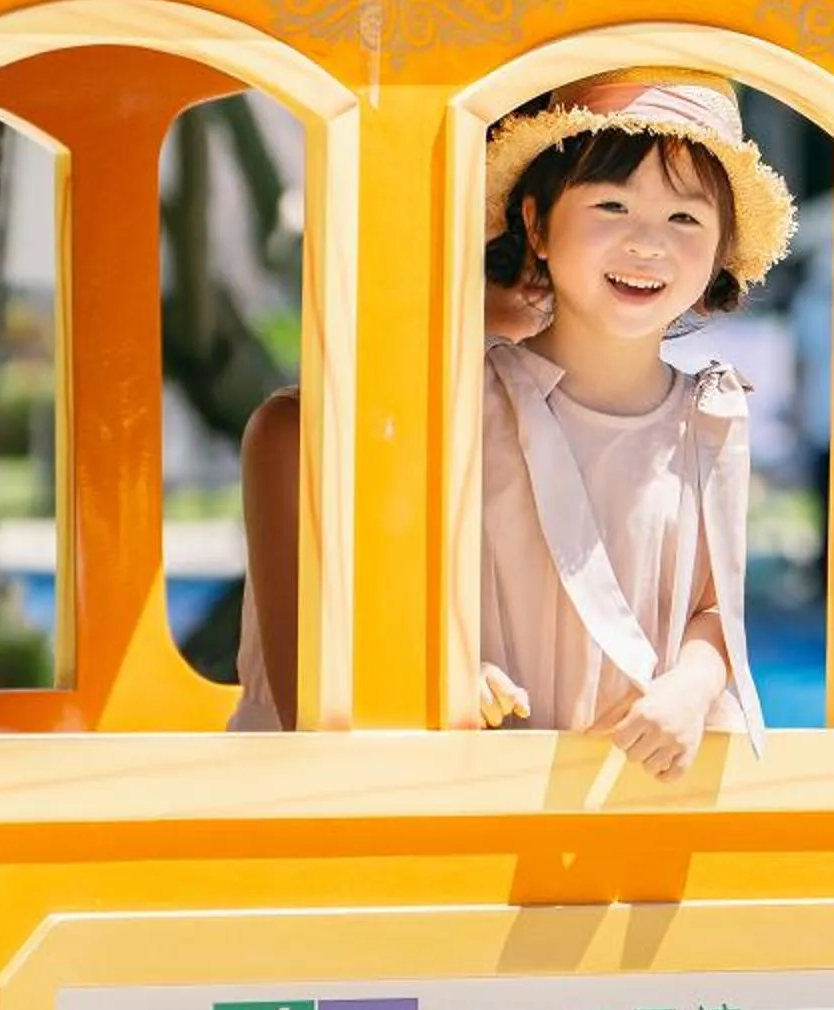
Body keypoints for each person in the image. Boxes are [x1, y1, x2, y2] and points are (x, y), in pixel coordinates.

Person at [233, 70, 796, 778]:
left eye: (685, 218)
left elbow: (716, 608)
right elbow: (377, 617)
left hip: (632, 796)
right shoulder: (457, 409)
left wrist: (693, 683)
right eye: (612, 206)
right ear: (535, 227)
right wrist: (435, 673)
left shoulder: (712, 416)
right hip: (463, 794)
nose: (648, 243)